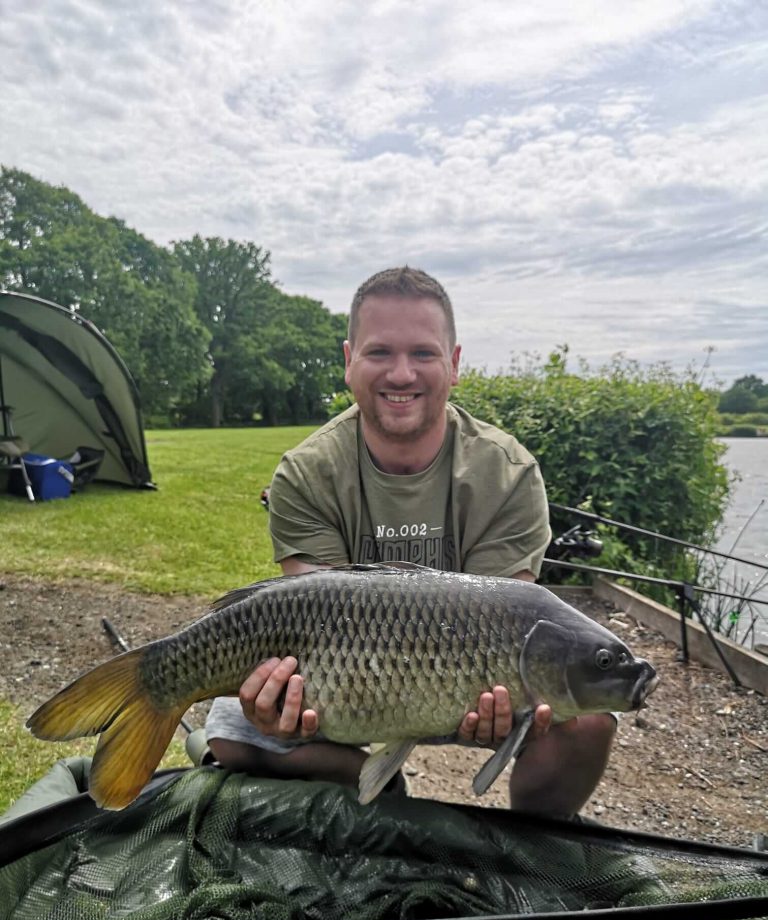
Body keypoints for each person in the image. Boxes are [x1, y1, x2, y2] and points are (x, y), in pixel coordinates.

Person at [206, 267, 617, 817]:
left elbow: (509, 624)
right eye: (380, 353)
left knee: (587, 719)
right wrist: (281, 698)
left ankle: (528, 852)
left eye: (424, 353)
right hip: (352, 686)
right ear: (349, 360)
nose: (402, 374)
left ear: (454, 363)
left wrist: (506, 697)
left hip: (471, 689)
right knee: (232, 732)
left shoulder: (508, 472)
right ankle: (372, 787)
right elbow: (307, 616)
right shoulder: (305, 473)